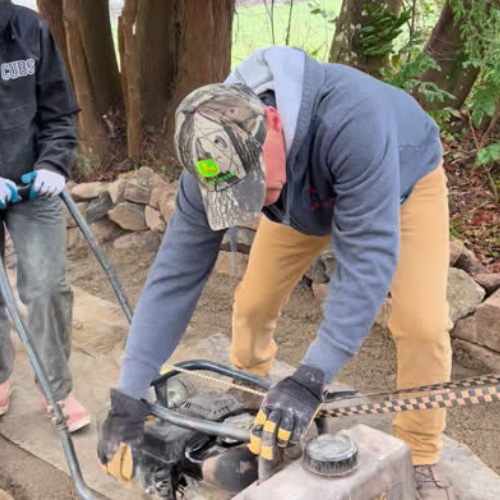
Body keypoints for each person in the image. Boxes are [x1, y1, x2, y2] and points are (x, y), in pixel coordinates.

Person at [98, 46, 454, 499]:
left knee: (421, 324)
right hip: (302, 201)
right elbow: (175, 274)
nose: (252, 206)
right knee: (253, 303)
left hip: (402, 184)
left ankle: (420, 454)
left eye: (254, 188)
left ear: (273, 122)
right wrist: (129, 394)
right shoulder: (210, 148)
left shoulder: (351, 121)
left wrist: (312, 377)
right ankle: (250, 401)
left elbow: (366, 262)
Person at [0, 0, 90, 432]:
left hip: (30, 183)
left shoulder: (29, 29)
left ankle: (56, 388)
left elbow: (59, 110)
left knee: (48, 287)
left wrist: (54, 163)